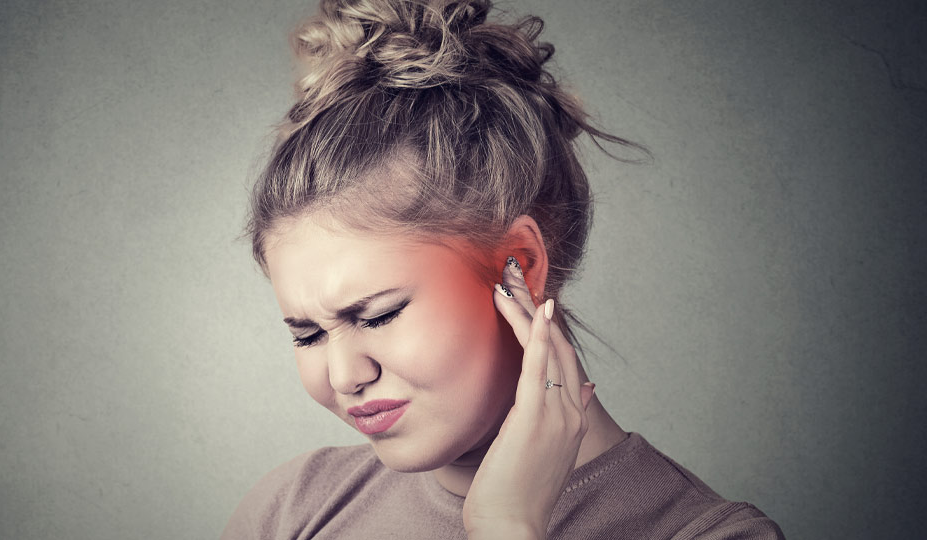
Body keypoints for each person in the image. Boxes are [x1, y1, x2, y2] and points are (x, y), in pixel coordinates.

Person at [222, 0, 785, 538]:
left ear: (520, 265)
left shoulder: (709, 534)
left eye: (377, 316)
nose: (344, 376)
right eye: (308, 333)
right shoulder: (292, 509)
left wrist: (507, 528)